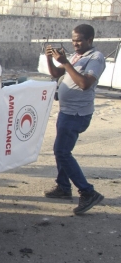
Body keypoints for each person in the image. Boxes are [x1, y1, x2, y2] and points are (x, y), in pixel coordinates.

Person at [44, 24, 106, 215]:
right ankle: (63, 187)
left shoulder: (96, 58)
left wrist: (66, 62)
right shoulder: (75, 56)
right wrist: (50, 59)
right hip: (66, 111)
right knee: (62, 150)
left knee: (62, 152)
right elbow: (56, 74)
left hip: (77, 114)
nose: (75, 44)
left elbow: (85, 84)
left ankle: (87, 192)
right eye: (73, 40)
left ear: (90, 40)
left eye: (79, 40)